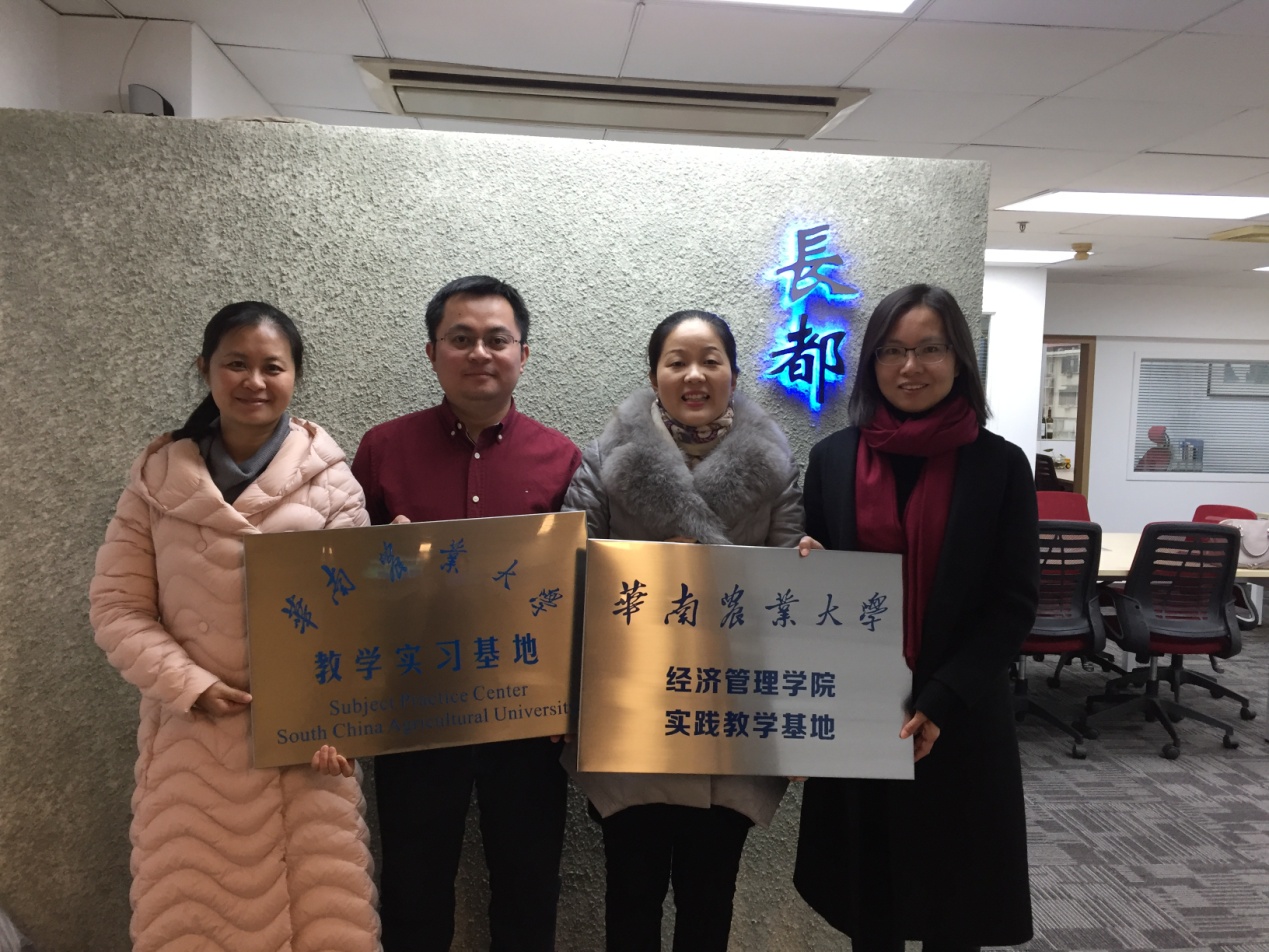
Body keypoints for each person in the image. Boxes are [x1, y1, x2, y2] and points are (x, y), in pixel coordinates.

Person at [89, 302, 379, 952]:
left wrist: (344, 723)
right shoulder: (156, 484)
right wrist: (188, 683)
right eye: (236, 364)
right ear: (205, 370)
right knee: (198, 923)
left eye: (272, 367)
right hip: (193, 746)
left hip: (308, 754)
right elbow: (116, 606)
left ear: (295, 376)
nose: (254, 381)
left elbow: (359, 625)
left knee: (321, 922)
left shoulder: (334, 486)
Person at [793, 284, 1039, 952]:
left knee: (955, 913)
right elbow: (810, 596)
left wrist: (940, 700)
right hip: (860, 714)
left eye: (930, 349)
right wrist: (805, 565)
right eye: (892, 351)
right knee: (868, 907)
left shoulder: (1000, 466)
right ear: (871, 362)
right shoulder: (832, 459)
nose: (910, 367)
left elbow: (1013, 602)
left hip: (960, 713)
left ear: (959, 359)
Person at [351, 275, 582, 952]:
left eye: (496, 339)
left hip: (528, 714)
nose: (479, 353)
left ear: (523, 355)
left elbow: (580, 589)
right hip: (412, 707)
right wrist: (385, 560)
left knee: (528, 887)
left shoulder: (562, 457)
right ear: (432, 353)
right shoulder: (382, 449)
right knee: (413, 888)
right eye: (461, 338)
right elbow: (343, 582)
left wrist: (572, 700)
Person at [564, 309, 804, 952]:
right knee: (630, 899)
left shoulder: (777, 468)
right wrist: (649, 568)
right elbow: (570, 574)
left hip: (732, 721)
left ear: (733, 374)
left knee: (709, 900)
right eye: (677, 362)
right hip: (632, 717)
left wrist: (806, 567)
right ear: (654, 376)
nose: (694, 375)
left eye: (710, 360)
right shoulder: (604, 461)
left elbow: (791, 595)